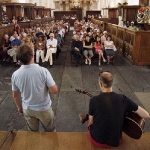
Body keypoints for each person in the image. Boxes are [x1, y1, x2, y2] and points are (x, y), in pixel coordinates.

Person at [79, 71, 150, 148]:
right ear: (112, 83)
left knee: (89, 123)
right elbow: (146, 115)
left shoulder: (93, 100)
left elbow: (91, 121)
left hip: (97, 141)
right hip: (116, 141)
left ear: (100, 84)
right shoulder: (123, 98)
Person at [11, 44, 58, 132]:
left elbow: (15, 95)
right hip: (44, 108)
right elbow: (54, 90)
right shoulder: (43, 71)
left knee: (32, 134)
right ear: (33, 55)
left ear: (19, 59)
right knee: (50, 132)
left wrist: (19, 107)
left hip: (28, 109)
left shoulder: (15, 75)